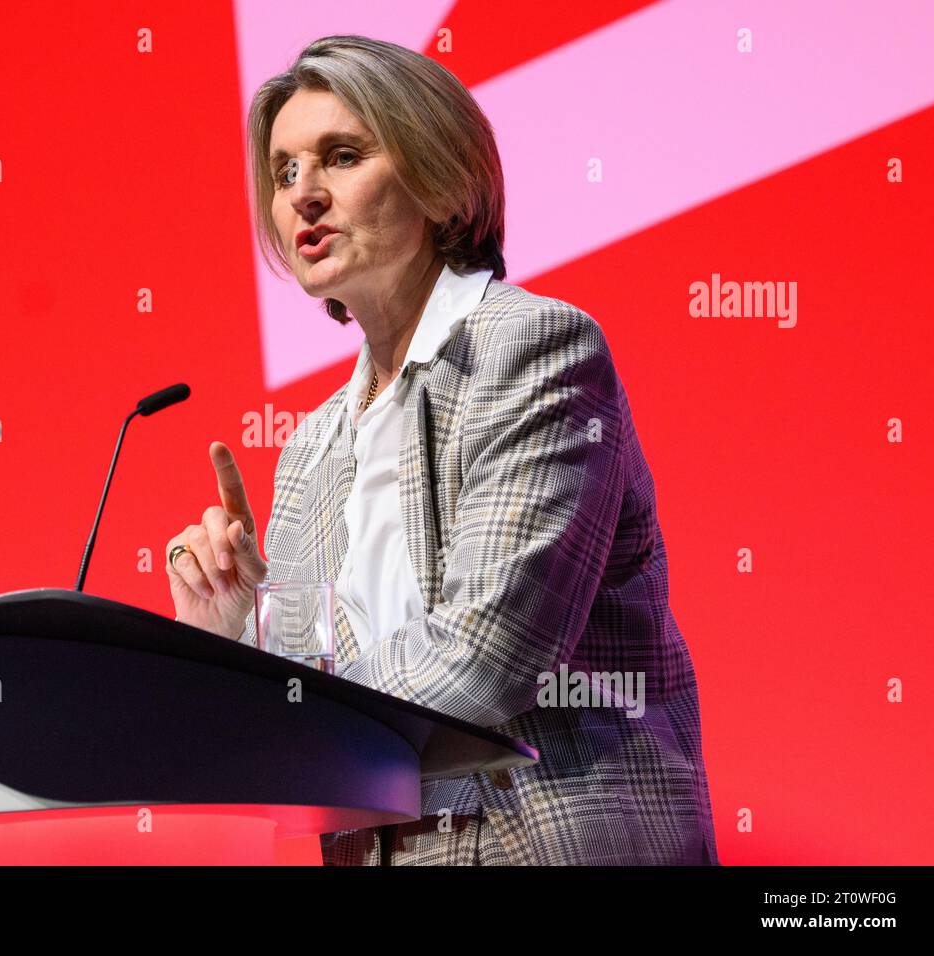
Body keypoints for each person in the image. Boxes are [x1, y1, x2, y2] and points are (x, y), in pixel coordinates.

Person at [164, 35, 717, 865]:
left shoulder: (534, 349)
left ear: (437, 176)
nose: (303, 194)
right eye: (282, 174)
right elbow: (296, 727)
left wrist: (286, 696)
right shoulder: (313, 447)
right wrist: (229, 634)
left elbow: (489, 655)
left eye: (341, 157)